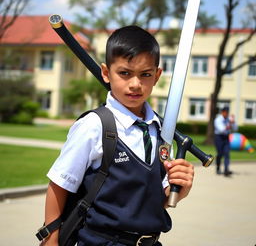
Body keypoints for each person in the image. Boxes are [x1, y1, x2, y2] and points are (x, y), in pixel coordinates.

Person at [41, 25, 194, 246]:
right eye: (125, 73)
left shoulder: (161, 130)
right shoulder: (94, 126)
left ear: (157, 75)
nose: (135, 84)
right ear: (105, 72)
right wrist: (50, 238)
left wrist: (178, 189)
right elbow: (60, 183)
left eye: (145, 75)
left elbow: (154, 199)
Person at [214, 107, 237, 176]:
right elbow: (222, 129)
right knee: (220, 154)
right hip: (219, 138)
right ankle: (218, 168)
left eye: (227, 112)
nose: (227, 114)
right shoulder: (218, 119)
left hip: (226, 137)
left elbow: (235, 129)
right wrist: (229, 124)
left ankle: (226, 170)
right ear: (222, 112)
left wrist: (233, 122)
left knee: (227, 153)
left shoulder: (228, 119)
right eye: (225, 112)